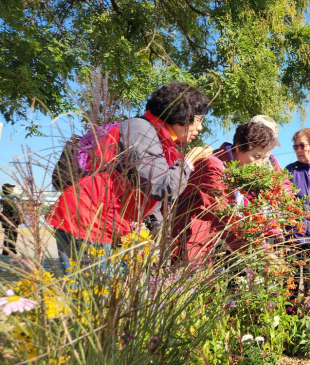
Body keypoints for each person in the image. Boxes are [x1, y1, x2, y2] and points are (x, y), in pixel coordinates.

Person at [47, 82, 212, 271]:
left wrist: (159, 237)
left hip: (109, 224)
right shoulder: (140, 130)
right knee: (91, 295)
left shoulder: (161, 141)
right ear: (182, 114)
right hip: (88, 221)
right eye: (198, 120)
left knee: (109, 294)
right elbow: (160, 187)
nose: (200, 128)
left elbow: (152, 200)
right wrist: (188, 162)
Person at [172, 115, 282, 262]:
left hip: (206, 244)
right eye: (256, 157)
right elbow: (224, 215)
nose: (259, 166)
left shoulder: (239, 172)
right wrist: (261, 254)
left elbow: (242, 214)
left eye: (263, 159)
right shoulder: (213, 165)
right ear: (238, 147)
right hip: (188, 242)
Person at [1, 183, 22, 256]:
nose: (12, 189)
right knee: (10, 235)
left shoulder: (12, 197)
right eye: (11, 188)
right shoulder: (6, 198)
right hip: (9, 218)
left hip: (13, 219)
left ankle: (10, 250)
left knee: (13, 235)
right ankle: (8, 251)